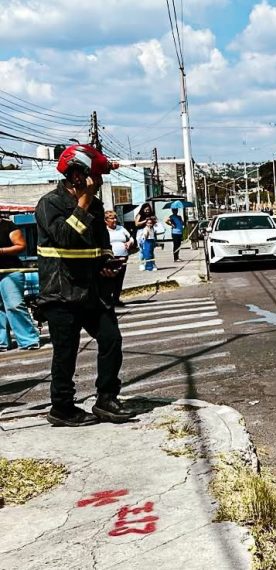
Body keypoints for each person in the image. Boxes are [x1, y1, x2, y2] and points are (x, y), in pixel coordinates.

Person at [36, 144, 135, 427]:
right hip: (61, 293)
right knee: (66, 352)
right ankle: (62, 407)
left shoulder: (96, 205)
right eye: (96, 175)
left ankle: (106, 398)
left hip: (92, 291)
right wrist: (83, 203)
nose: (99, 181)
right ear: (77, 174)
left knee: (111, 339)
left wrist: (107, 261)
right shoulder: (50, 204)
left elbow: (101, 243)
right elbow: (65, 238)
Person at [0, 215, 40, 351]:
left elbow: (21, 245)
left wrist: (1, 251)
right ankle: (2, 342)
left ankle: (28, 340)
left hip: (10, 271)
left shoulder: (7, 225)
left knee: (14, 305)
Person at [105, 210, 134, 307]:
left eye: (115, 218)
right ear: (106, 220)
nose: (114, 220)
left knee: (120, 278)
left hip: (123, 256)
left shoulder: (121, 228)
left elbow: (131, 238)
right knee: (111, 278)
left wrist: (129, 242)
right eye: (112, 218)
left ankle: (116, 298)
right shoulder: (104, 230)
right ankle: (108, 298)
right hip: (111, 257)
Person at [134, 202, 155, 270]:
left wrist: (153, 220)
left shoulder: (151, 214)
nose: (147, 211)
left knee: (151, 250)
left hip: (150, 232)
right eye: (146, 210)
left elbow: (155, 222)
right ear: (143, 209)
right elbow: (136, 224)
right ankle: (142, 264)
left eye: (148, 210)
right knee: (142, 249)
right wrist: (145, 221)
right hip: (141, 232)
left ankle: (152, 264)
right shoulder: (140, 214)